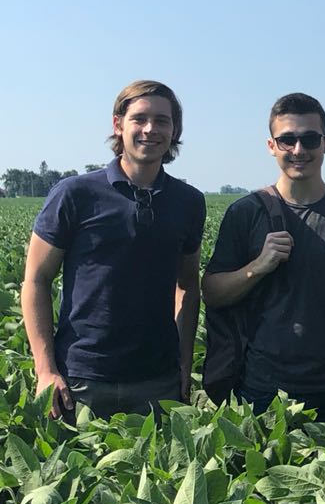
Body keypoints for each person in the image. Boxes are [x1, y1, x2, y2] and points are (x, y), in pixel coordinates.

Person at [21, 80, 206, 418]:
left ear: (174, 129)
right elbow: (36, 279)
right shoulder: (75, 194)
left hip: (158, 381)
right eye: (140, 118)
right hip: (81, 378)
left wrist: (183, 363)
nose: (150, 129)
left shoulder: (189, 202)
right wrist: (45, 369)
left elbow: (188, 287)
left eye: (162, 120)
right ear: (118, 124)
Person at [202, 93, 325, 421]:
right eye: (287, 140)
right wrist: (257, 267)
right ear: (272, 146)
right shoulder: (245, 213)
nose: (298, 150)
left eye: (309, 139)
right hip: (260, 386)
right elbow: (212, 292)